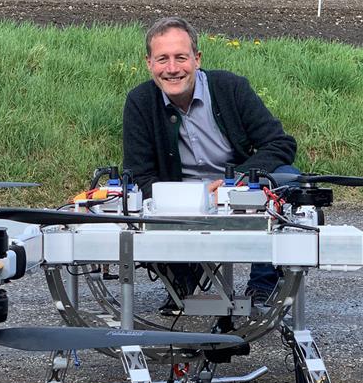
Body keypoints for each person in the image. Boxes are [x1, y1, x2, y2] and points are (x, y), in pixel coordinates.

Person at [122, 16, 299, 314]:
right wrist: (188, 199)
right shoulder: (140, 102)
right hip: (180, 198)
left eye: (181, 57)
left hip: (237, 190)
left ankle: (263, 284)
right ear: (149, 63)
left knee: (289, 180)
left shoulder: (231, 88)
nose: (172, 68)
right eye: (162, 59)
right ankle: (182, 277)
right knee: (129, 197)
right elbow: (138, 173)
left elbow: (281, 145)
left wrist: (237, 182)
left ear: (197, 58)